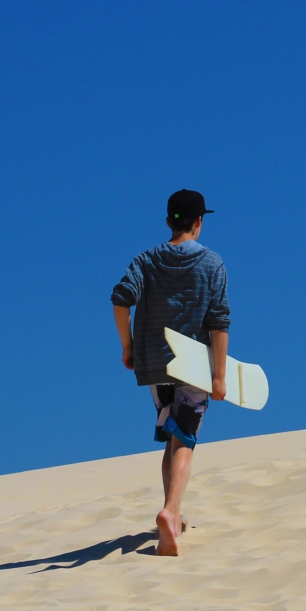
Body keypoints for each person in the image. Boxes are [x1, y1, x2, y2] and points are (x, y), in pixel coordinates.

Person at [111, 189, 230, 556]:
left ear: (168, 222)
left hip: (156, 363)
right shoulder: (213, 264)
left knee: (171, 435)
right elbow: (218, 322)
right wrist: (219, 376)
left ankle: (172, 520)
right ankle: (170, 510)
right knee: (186, 443)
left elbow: (120, 298)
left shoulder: (145, 260)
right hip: (193, 366)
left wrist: (128, 346)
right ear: (199, 222)